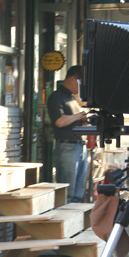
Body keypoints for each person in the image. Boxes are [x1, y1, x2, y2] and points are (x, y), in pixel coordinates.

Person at [48, 65, 88, 203]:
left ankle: (75, 223)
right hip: (67, 147)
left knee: (78, 193)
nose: (82, 88)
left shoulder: (72, 98)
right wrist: (78, 116)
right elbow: (59, 121)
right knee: (67, 194)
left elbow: (73, 120)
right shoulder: (56, 97)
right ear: (72, 79)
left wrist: (84, 121)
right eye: (81, 83)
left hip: (80, 146)